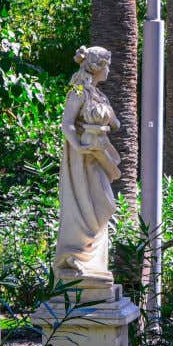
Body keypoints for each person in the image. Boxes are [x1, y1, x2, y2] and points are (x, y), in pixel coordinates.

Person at [54, 46, 121, 284]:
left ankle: (93, 263)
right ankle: (77, 257)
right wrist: (79, 145)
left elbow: (116, 124)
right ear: (97, 66)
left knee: (105, 205)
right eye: (107, 64)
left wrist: (106, 119)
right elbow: (67, 124)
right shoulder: (79, 90)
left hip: (98, 157)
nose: (109, 70)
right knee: (87, 206)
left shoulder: (98, 94)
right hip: (82, 158)